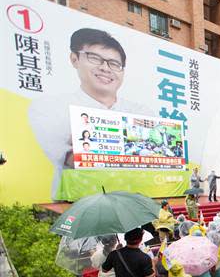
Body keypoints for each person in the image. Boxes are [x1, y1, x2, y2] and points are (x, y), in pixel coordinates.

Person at [28, 28, 153, 200]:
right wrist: (129, 148)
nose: (105, 68)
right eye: (95, 58)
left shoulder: (142, 112)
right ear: (75, 59)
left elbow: (153, 156)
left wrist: (93, 144)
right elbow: (73, 160)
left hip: (132, 201)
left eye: (114, 64)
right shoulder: (50, 107)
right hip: (79, 202)